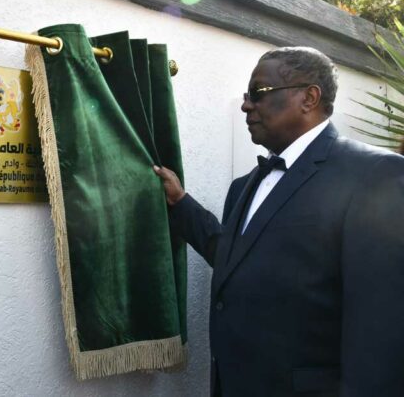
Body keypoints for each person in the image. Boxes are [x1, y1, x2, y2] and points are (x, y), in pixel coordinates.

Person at [153, 47, 404, 396]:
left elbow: (383, 328)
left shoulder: (373, 174)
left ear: (309, 98)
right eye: (246, 95)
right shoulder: (243, 186)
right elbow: (236, 261)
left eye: (259, 93)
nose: (246, 105)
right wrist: (180, 203)